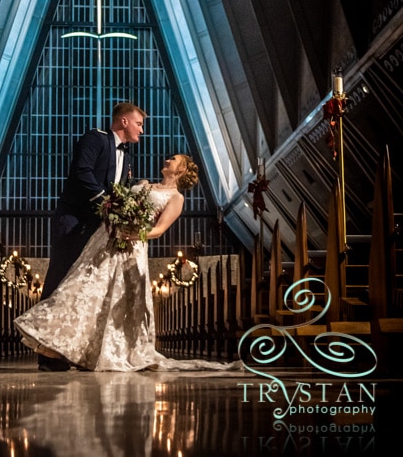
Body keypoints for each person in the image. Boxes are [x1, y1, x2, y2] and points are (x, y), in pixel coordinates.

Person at [15, 153, 243, 373]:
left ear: (181, 169)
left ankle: (96, 351)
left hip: (132, 246)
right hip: (106, 239)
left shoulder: (176, 198)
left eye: (173, 159)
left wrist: (135, 234)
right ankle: (65, 346)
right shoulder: (144, 184)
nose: (167, 160)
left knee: (110, 295)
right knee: (83, 288)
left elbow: (159, 229)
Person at [36, 101, 147, 370]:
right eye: (139, 124)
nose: (142, 131)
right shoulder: (95, 138)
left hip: (99, 227)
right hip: (73, 219)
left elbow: (119, 191)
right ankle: (47, 354)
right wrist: (105, 202)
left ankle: (76, 349)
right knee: (61, 278)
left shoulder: (128, 158)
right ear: (124, 122)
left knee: (84, 287)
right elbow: (82, 171)